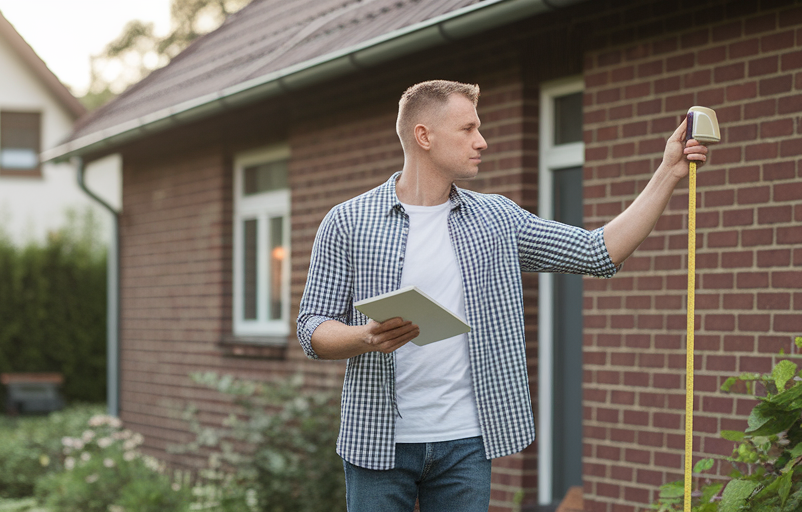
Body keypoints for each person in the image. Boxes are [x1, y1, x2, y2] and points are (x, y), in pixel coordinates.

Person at [296, 79, 708, 510]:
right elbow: (312, 328)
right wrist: (364, 337)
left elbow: (597, 252)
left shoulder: (497, 218)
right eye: (468, 129)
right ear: (424, 136)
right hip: (377, 440)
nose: (482, 141)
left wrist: (669, 172)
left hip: (465, 443)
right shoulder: (348, 222)